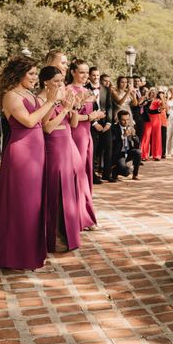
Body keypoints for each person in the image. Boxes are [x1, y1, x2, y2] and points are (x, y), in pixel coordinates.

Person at [0, 57, 59, 270]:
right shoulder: (10, 96)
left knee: (34, 206)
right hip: (21, 155)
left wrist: (60, 103)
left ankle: (30, 253)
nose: (35, 78)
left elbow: (43, 121)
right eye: (31, 74)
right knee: (21, 205)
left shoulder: (29, 94)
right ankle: (14, 256)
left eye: (35, 74)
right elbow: (29, 121)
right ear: (19, 73)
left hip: (36, 153)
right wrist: (50, 101)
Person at [39, 66, 89, 252]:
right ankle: (55, 238)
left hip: (67, 144)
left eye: (61, 81)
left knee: (68, 190)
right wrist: (64, 109)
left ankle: (69, 236)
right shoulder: (43, 99)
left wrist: (74, 107)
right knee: (56, 191)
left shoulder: (60, 98)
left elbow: (73, 124)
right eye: (56, 81)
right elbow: (47, 128)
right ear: (45, 82)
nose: (61, 84)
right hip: (54, 148)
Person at [67, 60, 103, 227]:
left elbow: (90, 114)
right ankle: (80, 216)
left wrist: (96, 117)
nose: (85, 76)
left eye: (87, 73)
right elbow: (69, 118)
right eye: (81, 72)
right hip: (74, 135)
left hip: (87, 135)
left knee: (87, 173)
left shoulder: (88, 91)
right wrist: (90, 117)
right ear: (73, 72)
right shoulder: (67, 90)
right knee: (78, 175)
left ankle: (85, 213)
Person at [86, 67, 113, 184]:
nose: (96, 77)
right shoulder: (85, 89)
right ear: (89, 76)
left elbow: (109, 106)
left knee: (108, 146)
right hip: (91, 123)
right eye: (93, 75)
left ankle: (107, 174)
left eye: (97, 75)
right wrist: (94, 123)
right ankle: (93, 175)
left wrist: (108, 122)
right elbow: (85, 109)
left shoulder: (106, 89)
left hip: (105, 123)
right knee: (93, 149)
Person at [112, 110, 142, 180]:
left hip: (128, 151)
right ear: (119, 120)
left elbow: (137, 144)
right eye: (123, 120)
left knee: (138, 152)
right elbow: (113, 141)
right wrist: (123, 136)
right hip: (119, 154)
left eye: (127, 120)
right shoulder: (114, 128)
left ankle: (135, 175)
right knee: (126, 172)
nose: (126, 122)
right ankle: (115, 170)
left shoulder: (130, 127)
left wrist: (134, 136)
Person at [141, 89, 163, 161]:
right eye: (152, 93)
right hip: (147, 120)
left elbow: (163, 107)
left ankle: (157, 155)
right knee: (146, 137)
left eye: (155, 93)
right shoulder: (146, 101)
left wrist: (162, 98)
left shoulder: (158, 101)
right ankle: (144, 155)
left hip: (156, 120)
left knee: (157, 137)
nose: (153, 94)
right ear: (149, 93)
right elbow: (144, 109)